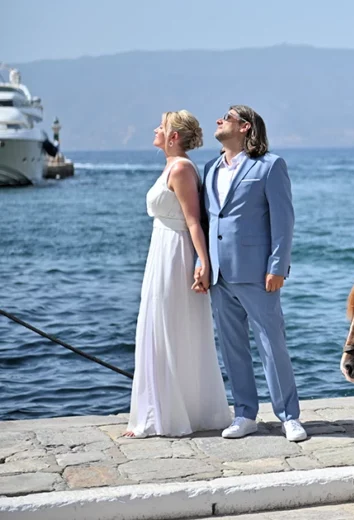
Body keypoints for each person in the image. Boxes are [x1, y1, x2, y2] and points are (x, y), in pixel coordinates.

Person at [194, 105, 306, 442]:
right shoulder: (210, 167)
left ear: (245, 127)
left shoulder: (270, 166)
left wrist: (277, 267)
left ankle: (289, 416)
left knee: (272, 345)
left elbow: (283, 221)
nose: (218, 121)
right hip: (218, 274)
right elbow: (205, 221)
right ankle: (245, 414)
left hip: (257, 273)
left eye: (226, 117)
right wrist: (202, 264)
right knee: (232, 348)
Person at [125, 110, 231, 438]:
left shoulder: (182, 168)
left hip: (175, 254)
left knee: (169, 327)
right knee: (158, 326)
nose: (156, 129)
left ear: (173, 137)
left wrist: (203, 264)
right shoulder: (171, 166)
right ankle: (159, 411)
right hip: (161, 250)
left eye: (162, 126)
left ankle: (168, 416)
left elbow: (193, 221)